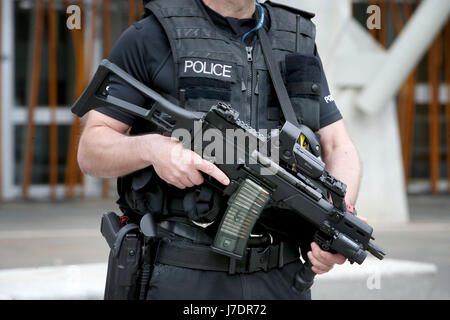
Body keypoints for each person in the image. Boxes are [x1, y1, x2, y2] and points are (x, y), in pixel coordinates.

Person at [77, 0, 362, 300]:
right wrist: (153, 149)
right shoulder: (151, 36)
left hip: (282, 278)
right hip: (184, 273)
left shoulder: (296, 38)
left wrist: (339, 219)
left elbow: (338, 145)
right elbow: (92, 149)